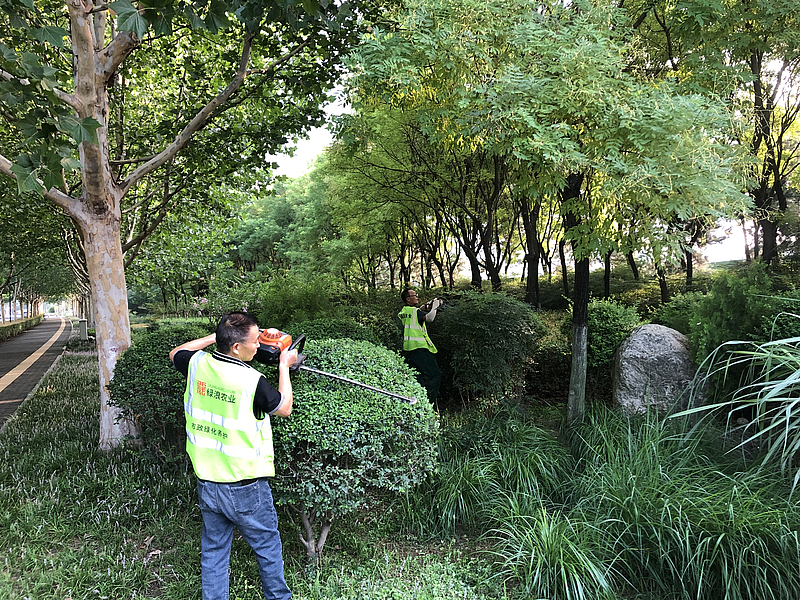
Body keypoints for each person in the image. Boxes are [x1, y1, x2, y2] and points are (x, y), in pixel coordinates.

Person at [169, 312, 297, 600]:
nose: (259, 345)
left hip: (207, 481)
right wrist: (284, 366)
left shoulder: (197, 364)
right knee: (267, 547)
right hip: (245, 485)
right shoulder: (251, 380)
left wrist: (217, 337)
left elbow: (176, 352)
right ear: (237, 347)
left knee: (214, 549)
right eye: (255, 341)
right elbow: (284, 407)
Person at [398, 288, 442, 403]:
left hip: (409, 350)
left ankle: (419, 402)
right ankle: (430, 403)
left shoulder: (404, 311)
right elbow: (430, 318)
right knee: (435, 374)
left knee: (418, 378)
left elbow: (414, 315)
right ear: (408, 299)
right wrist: (435, 306)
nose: (417, 297)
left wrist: (423, 308)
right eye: (414, 295)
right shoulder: (415, 312)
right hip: (420, 348)